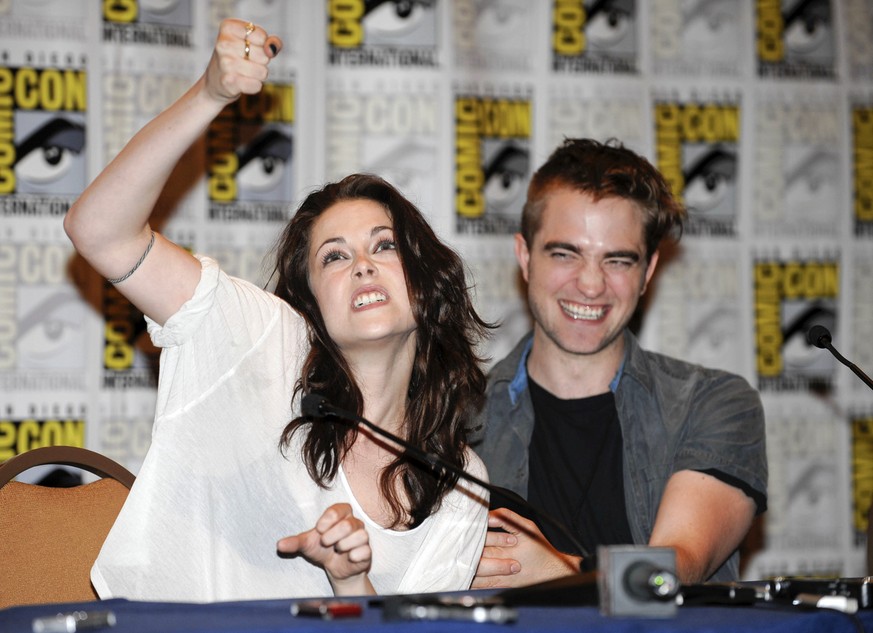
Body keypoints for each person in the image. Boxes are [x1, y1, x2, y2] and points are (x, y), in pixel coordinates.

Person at [64, 19, 490, 602]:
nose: (363, 264)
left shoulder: (460, 479)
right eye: (334, 257)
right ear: (312, 303)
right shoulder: (264, 340)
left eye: (384, 245)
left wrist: (350, 581)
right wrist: (210, 94)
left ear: (424, 281)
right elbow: (98, 231)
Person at [470, 138, 767, 587]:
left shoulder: (711, 404)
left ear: (648, 273)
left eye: (617, 260)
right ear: (525, 256)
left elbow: (677, 567)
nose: (590, 284)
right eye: (565, 253)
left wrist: (558, 569)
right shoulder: (458, 418)